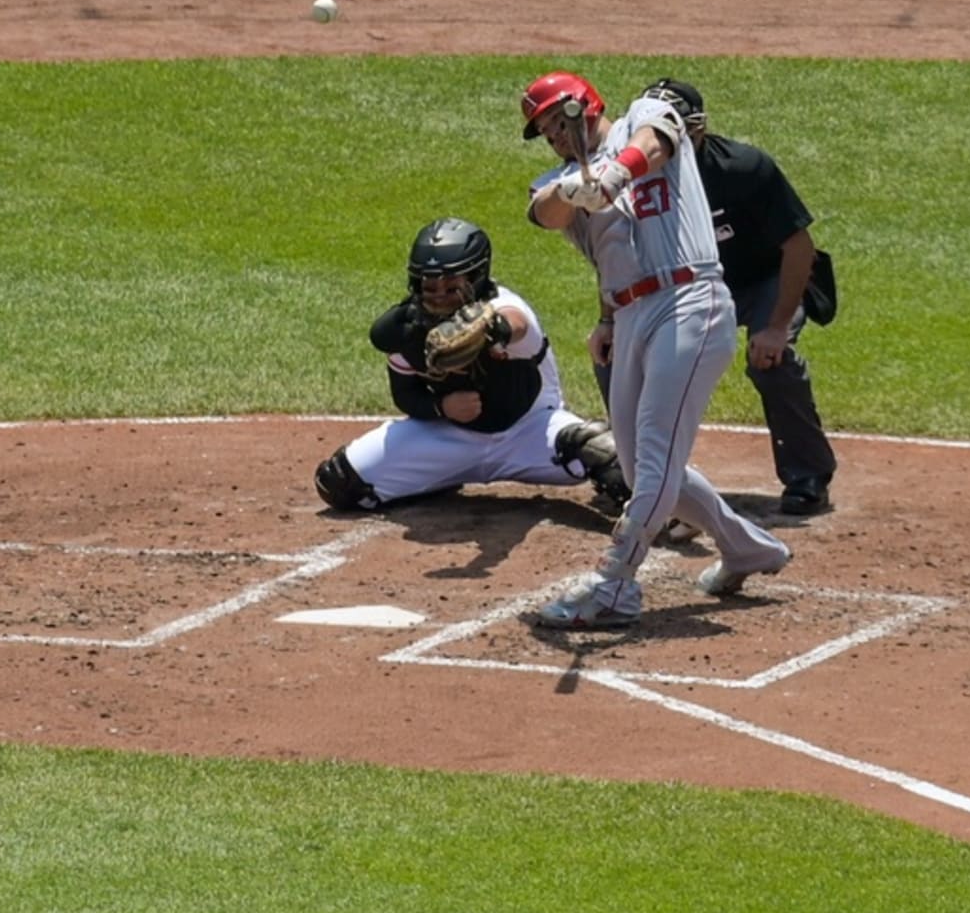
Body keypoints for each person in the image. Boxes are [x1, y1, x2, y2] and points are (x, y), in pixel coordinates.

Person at [518, 71, 790, 629]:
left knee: (656, 451)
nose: (556, 136)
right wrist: (573, 190)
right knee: (644, 461)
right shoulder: (562, 177)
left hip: (690, 298)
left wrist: (615, 174)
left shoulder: (645, 113)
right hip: (633, 314)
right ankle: (747, 548)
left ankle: (615, 582)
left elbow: (658, 141)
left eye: (557, 122)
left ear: (586, 105)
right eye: (546, 132)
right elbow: (545, 212)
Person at [313, 216, 630, 514]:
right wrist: (442, 407)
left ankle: (662, 509)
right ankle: (441, 479)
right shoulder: (408, 329)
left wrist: (490, 328)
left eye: (452, 287)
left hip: (531, 432)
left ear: (476, 278)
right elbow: (404, 394)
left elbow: (516, 323)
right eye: (430, 286)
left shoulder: (504, 306)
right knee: (340, 482)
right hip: (450, 438)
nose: (439, 296)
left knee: (601, 451)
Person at [629, 78, 836, 516]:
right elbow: (618, 256)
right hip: (691, 285)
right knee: (625, 357)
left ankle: (808, 474)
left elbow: (799, 248)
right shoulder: (636, 178)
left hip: (765, 281)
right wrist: (611, 322)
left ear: (697, 130)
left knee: (770, 362)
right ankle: (637, 476)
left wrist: (777, 327)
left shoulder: (745, 170)